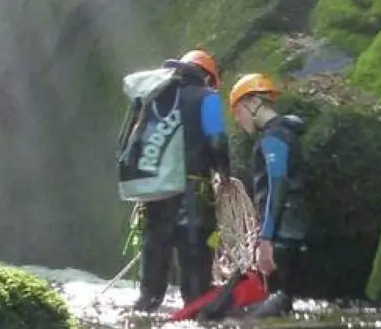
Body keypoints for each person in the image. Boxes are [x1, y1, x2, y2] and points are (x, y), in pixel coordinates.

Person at [132, 49, 230, 311]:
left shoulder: (157, 95)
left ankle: (145, 312)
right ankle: (195, 314)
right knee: (195, 280)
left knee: (153, 273)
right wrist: (224, 174)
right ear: (207, 77)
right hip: (193, 195)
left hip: (156, 193)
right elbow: (217, 141)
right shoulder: (207, 98)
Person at [227, 72, 308, 300]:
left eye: (238, 111)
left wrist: (266, 239)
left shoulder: (274, 138)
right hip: (292, 233)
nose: (238, 119)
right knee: (282, 302)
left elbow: (277, 186)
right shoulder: (287, 134)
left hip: (281, 237)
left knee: (274, 302)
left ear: (254, 103)